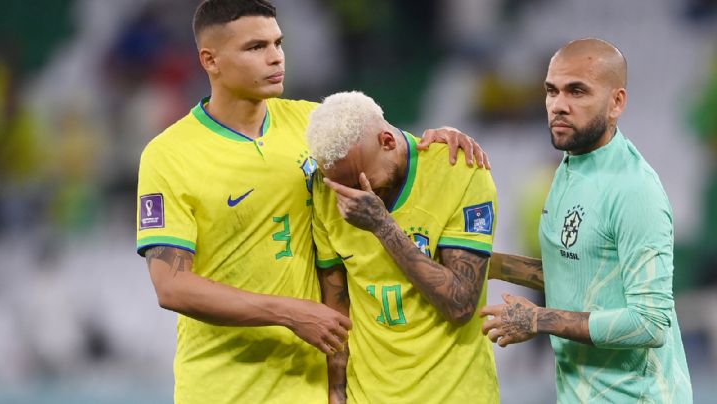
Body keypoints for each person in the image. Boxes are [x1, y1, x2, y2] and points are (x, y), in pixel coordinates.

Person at [135, 1, 488, 403]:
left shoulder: (311, 126)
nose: (275, 58)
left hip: (312, 385)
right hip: (224, 386)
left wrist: (440, 137)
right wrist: (289, 312)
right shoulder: (169, 155)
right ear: (210, 60)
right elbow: (172, 287)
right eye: (255, 48)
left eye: (278, 43)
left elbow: (384, 145)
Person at [481, 38, 693, 403]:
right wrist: (489, 264)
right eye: (552, 91)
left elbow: (650, 323)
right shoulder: (569, 167)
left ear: (617, 103)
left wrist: (539, 319)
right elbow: (578, 273)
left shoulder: (634, 190)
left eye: (577, 91)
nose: (559, 105)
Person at [307, 91, 499, 403]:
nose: (356, 198)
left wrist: (382, 226)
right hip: (368, 395)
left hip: (454, 393)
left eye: (363, 182)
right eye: (346, 188)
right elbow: (336, 302)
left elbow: (460, 304)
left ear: (387, 141)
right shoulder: (326, 189)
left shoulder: (458, 170)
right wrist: (337, 389)